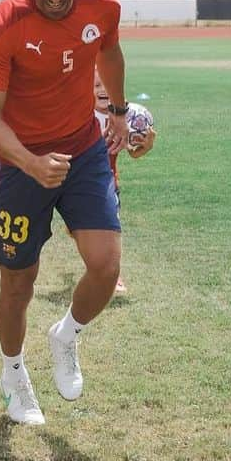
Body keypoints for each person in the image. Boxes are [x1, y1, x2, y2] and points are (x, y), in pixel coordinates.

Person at [0, 0, 153, 425]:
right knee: (18, 284)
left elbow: (110, 51)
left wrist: (116, 110)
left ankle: (66, 335)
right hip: (20, 164)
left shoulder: (103, 6)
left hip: (84, 151)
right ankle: (13, 373)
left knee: (105, 264)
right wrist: (30, 162)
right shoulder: (4, 25)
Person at [93, 67, 155, 294]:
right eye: (97, 85)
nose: (103, 90)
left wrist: (145, 146)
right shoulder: (81, 115)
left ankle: (114, 276)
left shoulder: (126, 117)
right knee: (82, 234)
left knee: (111, 229)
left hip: (108, 183)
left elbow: (134, 152)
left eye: (108, 85)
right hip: (76, 183)